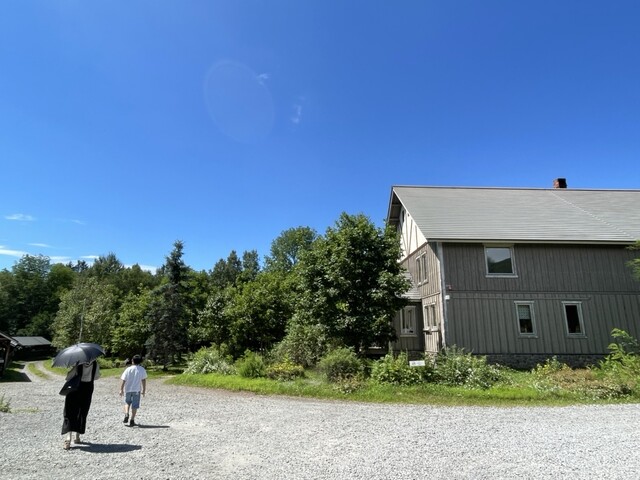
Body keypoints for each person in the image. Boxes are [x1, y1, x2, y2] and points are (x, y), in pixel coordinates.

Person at [61, 359, 100, 450]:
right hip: (88, 389)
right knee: (82, 411)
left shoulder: (78, 364)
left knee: (70, 411)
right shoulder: (95, 364)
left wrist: (73, 369)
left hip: (75, 389)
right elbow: (96, 377)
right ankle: (77, 436)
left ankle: (68, 438)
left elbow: (68, 377)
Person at [119, 354, 147, 427]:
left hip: (128, 389)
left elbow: (123, 379)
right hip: (137, 390)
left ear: (132, 361)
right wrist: (144, 390)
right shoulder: (142, 369)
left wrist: (121, 389)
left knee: (127, 402)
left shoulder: (128, 369)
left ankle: (126, 414)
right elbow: (143, 380)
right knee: (135, 405)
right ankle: (132, 420)